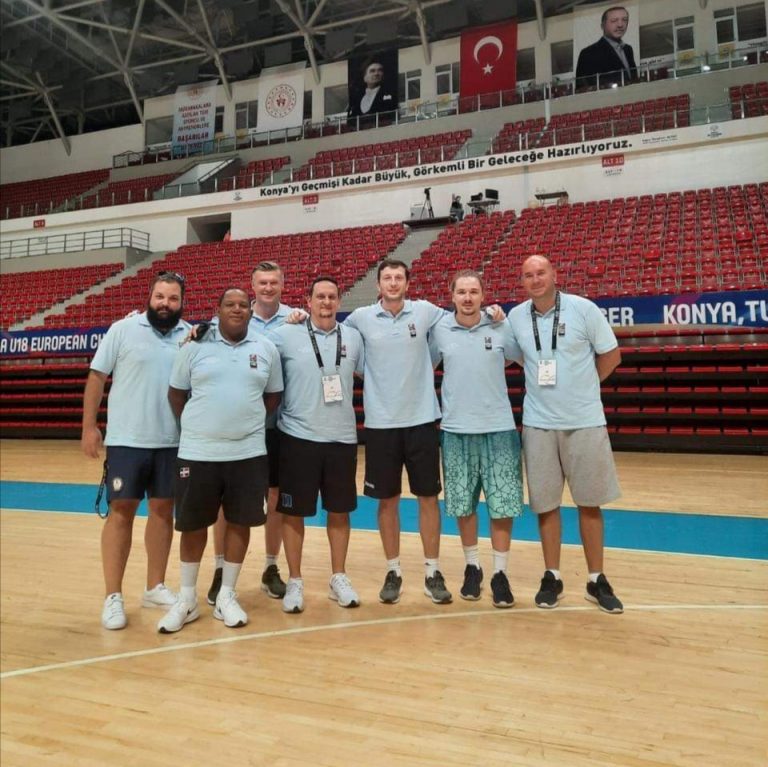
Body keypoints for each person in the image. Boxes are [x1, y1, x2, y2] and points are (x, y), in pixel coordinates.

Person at [158, 288, 283, 633]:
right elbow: (176, 394)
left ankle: (227, 594)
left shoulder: (266, 348)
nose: (237, 309)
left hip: (248, 453)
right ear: (218, 309)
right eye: (230, 304)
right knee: (193, 525)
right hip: (199, 452)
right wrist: (202, 424)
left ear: (251, 311)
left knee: (240, 523)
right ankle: (187, 599)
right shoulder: (193, 346)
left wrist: (244, 422)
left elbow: (273, 396)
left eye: (243, 305)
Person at [507, 255, 624, 614]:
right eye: (528, 275)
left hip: (584, 421)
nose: (535, 279)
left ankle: (596, 579)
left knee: (589, 502)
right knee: (546, 505)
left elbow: (611, 356)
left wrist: (585, 386)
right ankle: (552, 576)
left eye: (541, 272)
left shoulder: (583, 309)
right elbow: (519, 358)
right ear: (522, 281)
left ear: (554, 274)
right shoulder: (515, 317)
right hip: (539, 424)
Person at [81, 272, 190, 630]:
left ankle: (154, 586)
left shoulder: (190, 336)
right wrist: (89, 427)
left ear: (181, 302)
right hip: (127, 440)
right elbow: (97, 376)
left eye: (172, 298)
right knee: (121, 512)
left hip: (172, 441)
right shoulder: (122, 330)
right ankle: (113, 595)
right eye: (160, 296)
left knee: (163, 511)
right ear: (150, 296)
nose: (165, 304)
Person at [429, 271, 524, 608]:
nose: (468, 298)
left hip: (499, 428)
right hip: (456, 430)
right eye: (462, 292)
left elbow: (524, 358)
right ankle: (473, 566)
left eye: (473, 292)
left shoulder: (500, 326)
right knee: (463, 504)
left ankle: (500, 573)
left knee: (502, 504)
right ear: (451, 295)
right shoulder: (440, 329)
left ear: (483, 295)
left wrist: (504, 320)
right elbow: (421, 366)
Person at [271, 277, 365, 614]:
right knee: (293, 513)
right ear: (307, 301)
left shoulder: (353, 337)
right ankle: (295, 580)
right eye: (320, 297)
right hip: (297, 438)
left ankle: (338, 577)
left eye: (331, 297)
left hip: (341, 438)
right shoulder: (285, 334)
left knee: (339, 511)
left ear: (339, 301)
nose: (326, 302)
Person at [206, 261, 291, 608]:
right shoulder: (232, 318)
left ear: (282, 285)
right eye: (262, 283)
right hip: (235, 428)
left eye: (274, 282)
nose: (268, 288)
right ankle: (220, 568)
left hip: (278, 425)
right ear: (253, 286)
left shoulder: (296, 320)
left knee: (275, 497)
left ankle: (270, 566)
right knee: (224, 500)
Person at [575, 6, 637, 89]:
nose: (620, 25)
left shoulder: (628, 49)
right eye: (614, 21)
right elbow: (582, 89)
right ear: (603, 26)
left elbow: (633, 80)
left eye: (624, 20)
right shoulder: (588, 53)